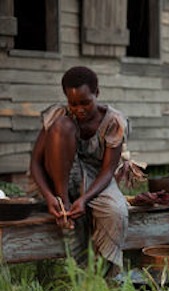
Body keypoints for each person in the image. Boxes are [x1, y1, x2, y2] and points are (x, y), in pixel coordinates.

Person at [30, 66, 129, 277]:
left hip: (96, 179)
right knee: (61, 127)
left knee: (115, 211)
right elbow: (36, 163)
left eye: (85, 102)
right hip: (58, 179)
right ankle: (64, 205)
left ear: (97, 94)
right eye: (73, 103)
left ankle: (106, 274)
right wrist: (51, 198)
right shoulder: (59, 116)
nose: (79, 109)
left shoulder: (113, 122)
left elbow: (108, 170)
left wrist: (85, 199)